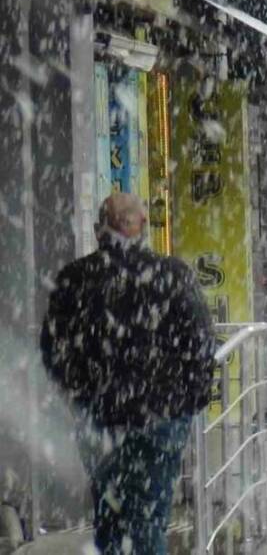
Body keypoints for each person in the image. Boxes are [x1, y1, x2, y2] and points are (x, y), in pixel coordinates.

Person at [40, 192, 216, 554]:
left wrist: (80, 395)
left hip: (100, 418)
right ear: (142, 227)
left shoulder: (76, 279)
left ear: (98, 230)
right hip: (161, 418)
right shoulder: (172, 274)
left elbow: (53, 349)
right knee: (149, 518)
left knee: (110, 519)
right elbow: (200, 342)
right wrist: (187, 401)